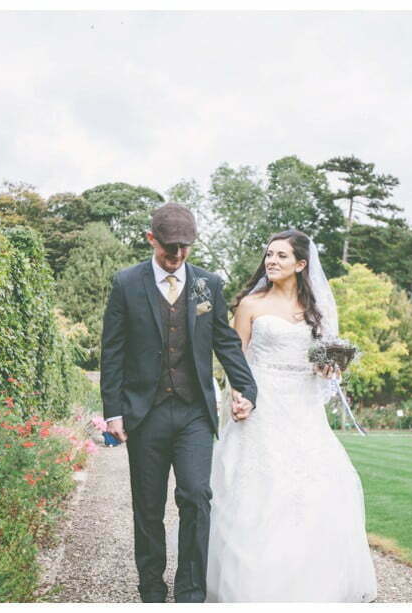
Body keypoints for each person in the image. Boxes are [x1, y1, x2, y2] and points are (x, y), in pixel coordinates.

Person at [205, 229, 378, 602]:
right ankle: (251, 587)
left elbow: (323, 363)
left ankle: (309, 585)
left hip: (302, 410)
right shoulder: (250, 306)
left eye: (282, 256)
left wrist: (329, 370)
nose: (272, 261)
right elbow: (236, 362)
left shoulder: (317, 311)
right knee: (257, 492)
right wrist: (239, 398)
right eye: (269, 255)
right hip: (261, 406)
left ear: (301, 264)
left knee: (310, 492)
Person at [100, 202, 257, 603]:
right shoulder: (126, 283)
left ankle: (190, 592)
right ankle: (151, 588)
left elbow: (224, 340)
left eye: (185, 247)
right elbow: (112, 351)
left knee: (196, 496)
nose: (178, 256)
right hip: (145, 413)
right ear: (151, 239)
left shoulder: (208, 285)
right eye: (170, 247)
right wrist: (113, 411)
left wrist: (247, 389)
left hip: (193, 413)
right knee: (148, 506)